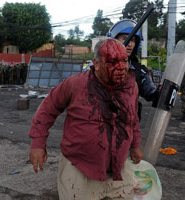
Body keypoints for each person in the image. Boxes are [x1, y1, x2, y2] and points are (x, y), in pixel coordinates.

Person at [29, 38, 143, 200]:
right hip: (79, 165)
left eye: (124, 61)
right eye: (112, 62)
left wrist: (136, 145)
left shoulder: (131, 87)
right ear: (96, 64)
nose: (120, 68)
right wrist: (38, 143)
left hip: (117, 164)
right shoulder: (75, 84)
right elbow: (48, 109)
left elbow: (132, 118)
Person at [107, 19, 161, 121]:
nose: (130, 44)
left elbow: (152, 94)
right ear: (114, 40)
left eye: (133, 40)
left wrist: (163, 93)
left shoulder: (139, 71)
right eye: (125, 38)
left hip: (128, 128)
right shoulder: (100, 65)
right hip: (101, 125)